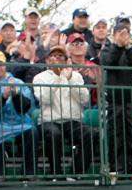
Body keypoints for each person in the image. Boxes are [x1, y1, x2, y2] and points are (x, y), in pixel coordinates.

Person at [32, 44, 99, 177]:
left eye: (60, 56)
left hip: (72, 120)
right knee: (54, 134)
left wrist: (70, 80)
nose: (57, 58)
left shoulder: (75, 76)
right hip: (49, 120)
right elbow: (45, 99)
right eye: (53, 56)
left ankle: (77, 173)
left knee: (91, 133)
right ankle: (56, 174)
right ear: (47, 60)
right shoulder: (40, 78)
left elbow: (85, 99)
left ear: (66, 60)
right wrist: (58, 78)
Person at [101, 18, 132, 175]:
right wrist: (117, 46)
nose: (123, 36)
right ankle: (116, 169)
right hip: (115, 100)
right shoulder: (107, 49)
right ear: (113, 35)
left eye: (126, 33)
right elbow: (108, 62)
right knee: (115, 135)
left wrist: (128, 47)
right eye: (120, 33)